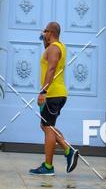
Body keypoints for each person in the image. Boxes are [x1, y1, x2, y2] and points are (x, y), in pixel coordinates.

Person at [29, 21, 78, 175]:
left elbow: (51, 68)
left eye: (45, 31)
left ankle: (49, 166)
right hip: (57, 93)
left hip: (53, 94)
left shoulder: (54, 48)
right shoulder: (57, 47)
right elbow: (49, 61)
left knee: (48, 127)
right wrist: (45, 42)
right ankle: (68, 150)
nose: (44, 33)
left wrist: (43, 91)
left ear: (50, 32)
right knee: (46, 126)